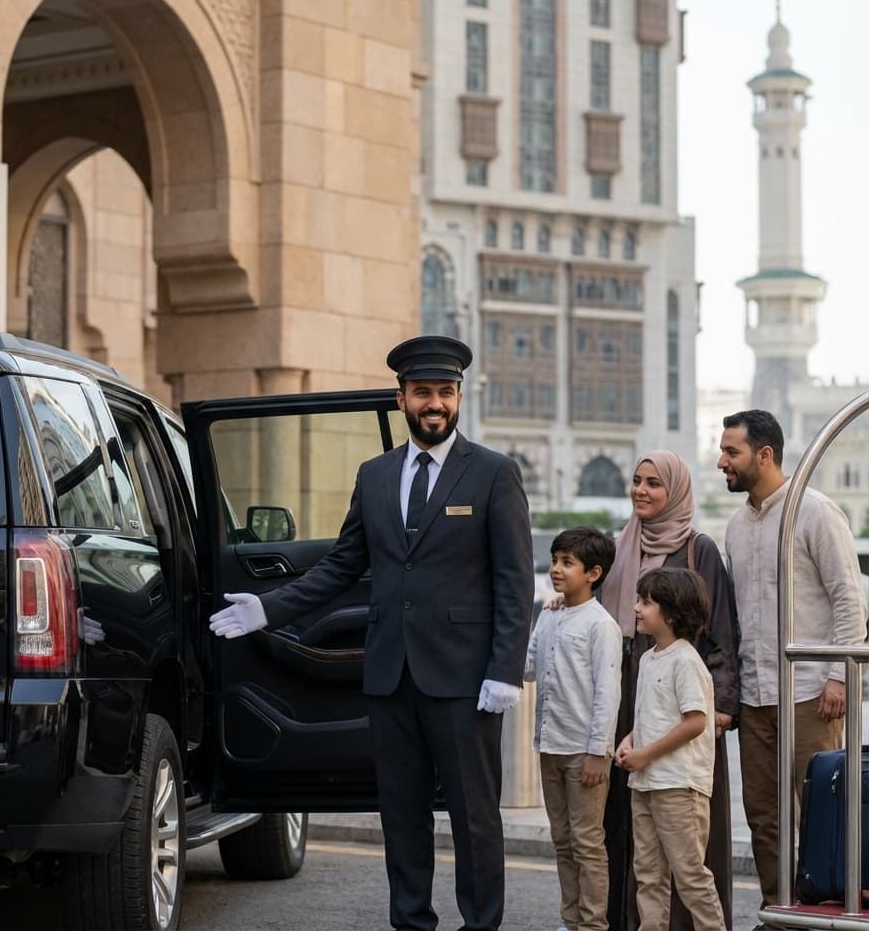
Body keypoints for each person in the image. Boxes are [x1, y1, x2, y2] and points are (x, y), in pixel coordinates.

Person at [209, 335, 535, 931]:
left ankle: (481, 924)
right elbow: (341, 565)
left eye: (444, 392)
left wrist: (504, 671)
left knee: (475, 817)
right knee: (402, 815)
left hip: (466, 680)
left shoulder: (493, 473)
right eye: (421, 393)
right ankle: (411, 923)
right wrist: (268, 608)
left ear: (458, 397)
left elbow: (515, 583)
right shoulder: (376, 474)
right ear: (401, 398)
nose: (433, 403)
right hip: (389, 677)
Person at [718, 408, 868, 908]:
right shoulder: (736, 527)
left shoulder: (815, 511)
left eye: (731, 451)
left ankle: (827, 911)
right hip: (757, 697)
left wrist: (838, 678)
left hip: (810, 694)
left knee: (821, 814)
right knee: (763, 815)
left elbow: (850, 599)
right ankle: (779, 910)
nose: (722, 462)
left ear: (765, 454)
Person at [598, 450, 739, 931]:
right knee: (638, 847)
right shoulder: (622, 547)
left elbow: (720, 633)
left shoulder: (698, 550)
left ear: (674, 490)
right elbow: (598, 604)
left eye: (654, 483)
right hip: (632, 701)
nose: (641, 490)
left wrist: (721, 708)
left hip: (685, 713)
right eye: (636, 480)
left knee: (687, 849)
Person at [614, 568, 725, 931]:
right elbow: (655, 715)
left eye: (646, 602)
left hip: (678, 786)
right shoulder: (650, 659)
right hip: (645, 784)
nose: (636, 608)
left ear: (672, 614)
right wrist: (631, 740)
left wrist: (645, 755)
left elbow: (695, 721)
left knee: (690, 874)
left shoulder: (686, 661)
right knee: (648, 875)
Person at [525, 526, 621, 931]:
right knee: (562, 841)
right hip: (550, 747)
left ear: (593, 573)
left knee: (587, 844)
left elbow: (607, 693)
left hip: (585, 754)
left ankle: (593, 924)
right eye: (555, 560)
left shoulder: (601, 626)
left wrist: (599, 751)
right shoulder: (548, 615)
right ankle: (570, 920)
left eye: (568, 563)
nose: (557, 570)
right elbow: (528, 668)